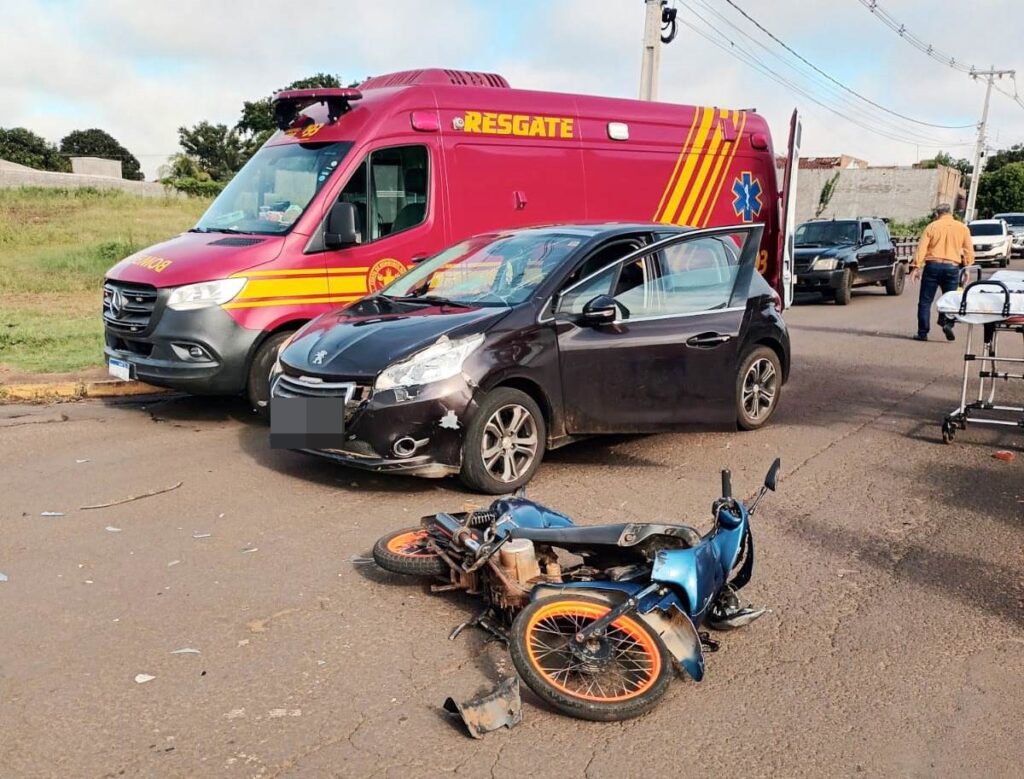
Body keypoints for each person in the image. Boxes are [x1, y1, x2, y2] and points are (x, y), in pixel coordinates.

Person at [911, 204, 974, 341]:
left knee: (925, 302)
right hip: (952, 268)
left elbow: (922, 248)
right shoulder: (962, 228)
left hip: (932, 266)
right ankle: (947, 324)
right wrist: (967, 268)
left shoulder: (932, 226)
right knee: (950, 300)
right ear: (951, 213)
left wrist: (916, 267)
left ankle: (923, 333)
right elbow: (968, 249)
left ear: (937, 214)